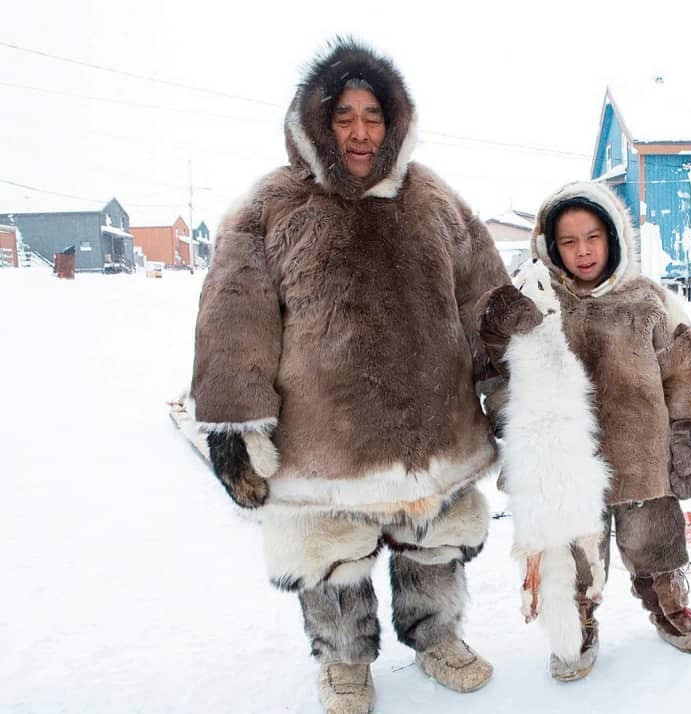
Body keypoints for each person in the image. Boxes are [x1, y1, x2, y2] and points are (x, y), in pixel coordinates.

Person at [188, 38, 513, 714]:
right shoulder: (270, 206)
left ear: (394, 122)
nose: (361, 131)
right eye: (345, 116)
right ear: (316, 122)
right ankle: (343, 663)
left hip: (435, 423)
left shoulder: (434, 199)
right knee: (330, 559)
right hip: (324, 436)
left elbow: (487, 299)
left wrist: (518, 390)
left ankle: (437, 639)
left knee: (435, 544)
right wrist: (234, 428)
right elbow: (232, 321)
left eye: (374, 115)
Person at [480, 180, 691, 682]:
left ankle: (670, 606)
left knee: (655, 541)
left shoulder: (648, 300)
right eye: (568, 241)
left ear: (613, 236)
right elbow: (500, 371)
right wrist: (510, 413)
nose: (583, 251)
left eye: (593, 237)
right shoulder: (536, 302)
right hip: (567, 462)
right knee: (577, 550)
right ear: (550, 245)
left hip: (642, 458)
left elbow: (689, 372)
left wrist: (688, 432)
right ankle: (579, 620)